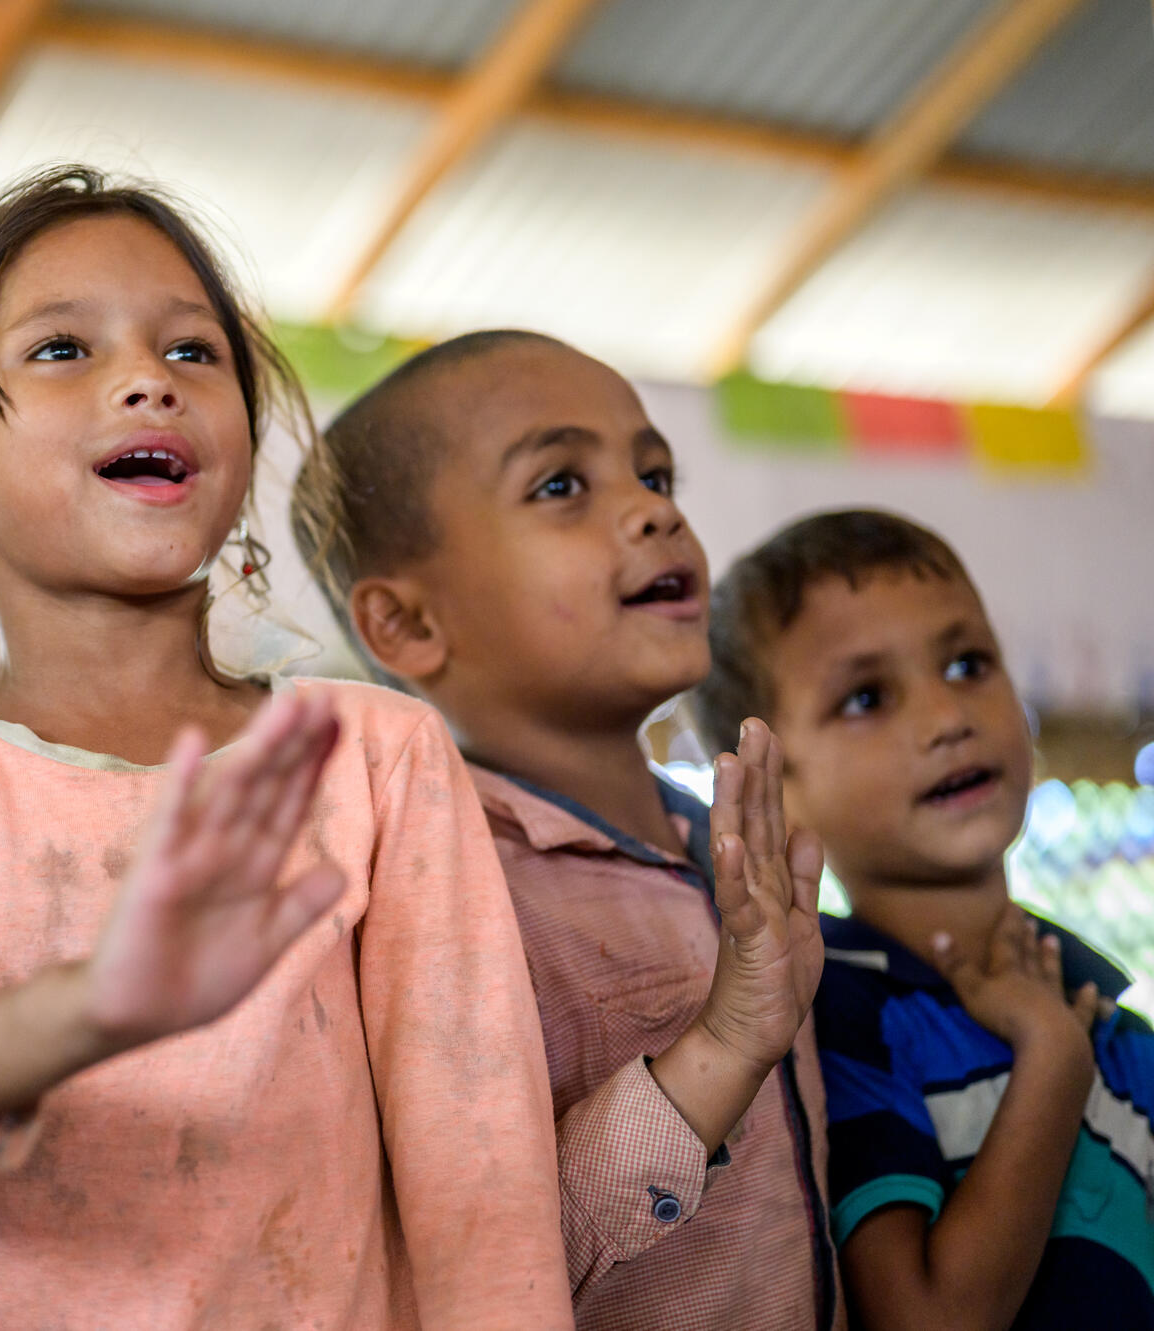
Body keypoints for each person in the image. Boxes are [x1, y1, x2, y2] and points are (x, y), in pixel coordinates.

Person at [0, 167, 571, 1329]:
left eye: (192, 353)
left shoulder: (375, 757)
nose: (145, 382)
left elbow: (483, 1196)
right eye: (61, 349)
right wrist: (94, 1007)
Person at [291, 330, 841, 1330]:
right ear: (407, 625)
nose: (653, 508)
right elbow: (459, 1277)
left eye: (652, 469)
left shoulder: (728, 845)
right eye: (559, 486)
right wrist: (720, 1046)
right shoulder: (433, 898)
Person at [696, 508, 1154, 1330]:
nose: (949, 716)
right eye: (867, 696)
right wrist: (1051, 1058)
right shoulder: (825, 1016)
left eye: (970, 662)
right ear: (776, 784)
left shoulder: (1113, 1015)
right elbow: (928, 1318)